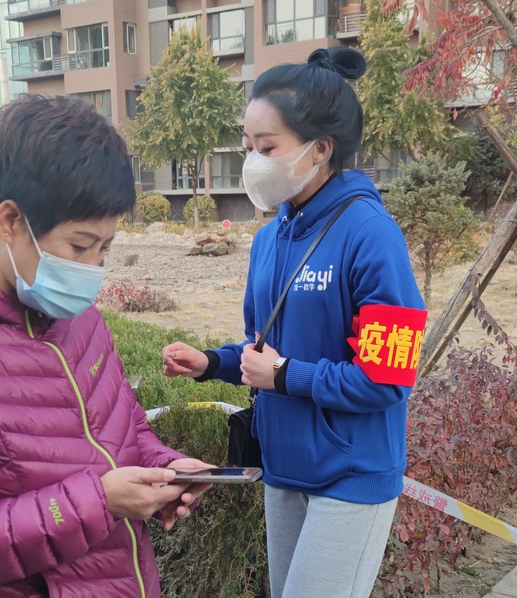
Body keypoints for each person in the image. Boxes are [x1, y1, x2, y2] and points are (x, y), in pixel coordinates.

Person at [0, 95, 212, 598]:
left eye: (105, 248)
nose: (92, 269)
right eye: (79, 246)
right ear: (10, 221)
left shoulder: (76, 316)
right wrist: (99, 503)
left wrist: (163, 467)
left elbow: (122, 425)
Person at [162, 47, 427, 598]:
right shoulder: (268, 241)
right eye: (247, 147)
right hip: (283, 469)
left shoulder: (372, 235)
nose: (253, 161)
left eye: (267, 148)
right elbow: (261, 349)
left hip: (352, 475)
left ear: (320, 149)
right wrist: (211, 363)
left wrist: (286, 376)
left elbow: (388, 379)